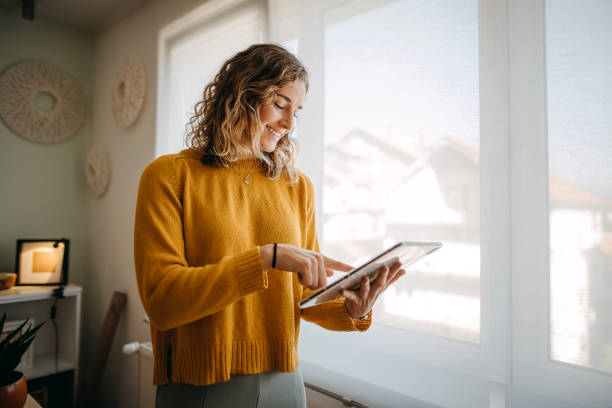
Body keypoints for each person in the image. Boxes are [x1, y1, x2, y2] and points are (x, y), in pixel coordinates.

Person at [134, 43, 406, 408]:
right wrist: (264, 258)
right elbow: (163, 301)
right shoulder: (169, 175)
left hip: (286, 384)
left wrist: (352, 310)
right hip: (200, 387)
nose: (289, 124)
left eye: (297, 111)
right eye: (280, 104)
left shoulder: (297, 186)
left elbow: (304, 296)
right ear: (241, 95)